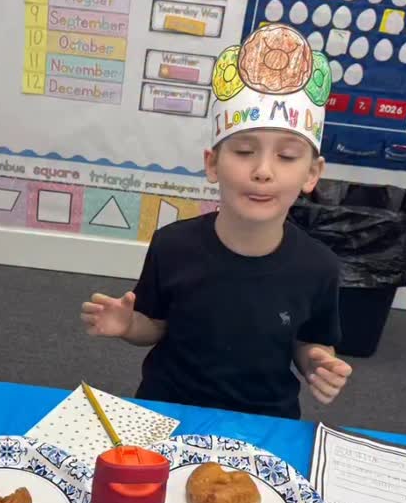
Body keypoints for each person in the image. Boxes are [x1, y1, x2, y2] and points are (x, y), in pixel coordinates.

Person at [82, 24, 352, 419]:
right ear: (212, 163)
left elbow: (310, 340)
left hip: (263, 418)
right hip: (166, 408)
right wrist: (127, 326)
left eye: (287, 157)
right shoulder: (173, 246)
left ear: (312, 174)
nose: (263, 171)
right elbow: (155, 327)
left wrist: (316, 363)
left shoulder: (319, 267)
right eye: (244, 151)